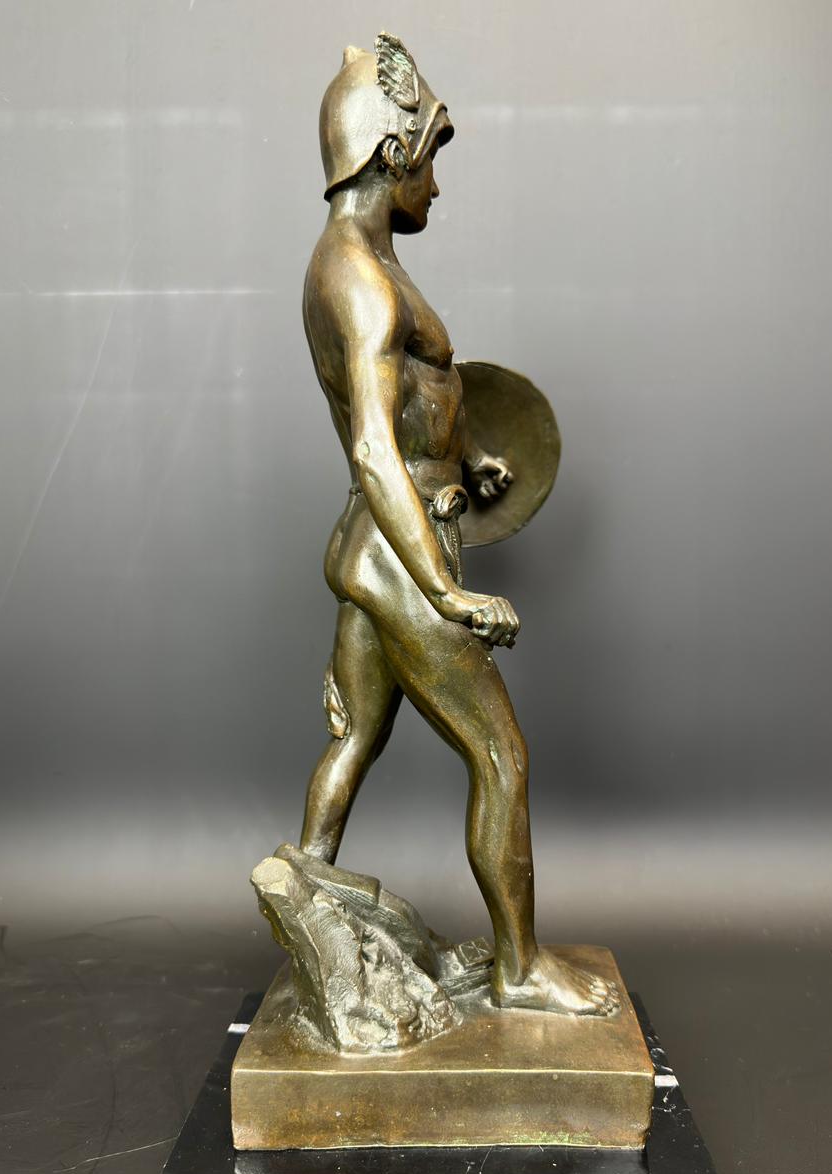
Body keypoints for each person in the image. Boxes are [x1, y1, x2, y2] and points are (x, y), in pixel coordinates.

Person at [295, 35, 613, 1015]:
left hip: (373, 545)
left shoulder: (365, 264)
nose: (436, 181)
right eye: (431, 156)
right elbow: (372, 450)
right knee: (501, 755)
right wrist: (447, 590)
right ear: (393, 152)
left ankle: (307, 887)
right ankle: (519, 968)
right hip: (404, 553)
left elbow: (408, 410)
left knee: (356, 737)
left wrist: (468, 456)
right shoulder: (359, 279)